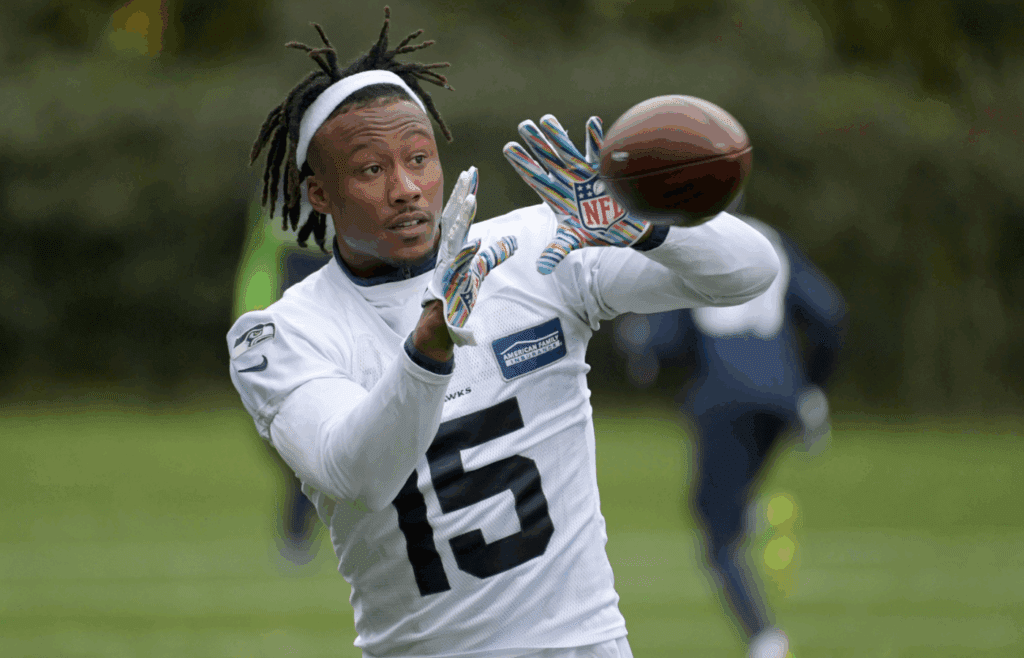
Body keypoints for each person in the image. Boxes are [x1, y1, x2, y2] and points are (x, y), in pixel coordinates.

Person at [227, 8, 780, 658]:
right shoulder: (281, 334)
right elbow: (359, 474)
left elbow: (749, 274)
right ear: (320, 195)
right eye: (372, 170)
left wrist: (642, 225)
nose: (407, 188)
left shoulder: (531, 247)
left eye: (419, 158)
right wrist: (429, 345)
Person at [612, 196, 848, 658]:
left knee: (715, 535)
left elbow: (665, 336)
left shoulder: (689, 244)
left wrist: (635, 341)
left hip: (724, 398)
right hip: (783, 400)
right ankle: (747, 513)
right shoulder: (769, 238)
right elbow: (830, 314)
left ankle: (765, 640)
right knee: (729, 499)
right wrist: (813, 388)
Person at [232, 198, 328, 562]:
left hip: (328, 330)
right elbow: (259, 268)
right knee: (288, 439)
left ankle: (302, 526)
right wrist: (250, 327)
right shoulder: (277, 211)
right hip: (281, 332)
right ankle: (302, 520)